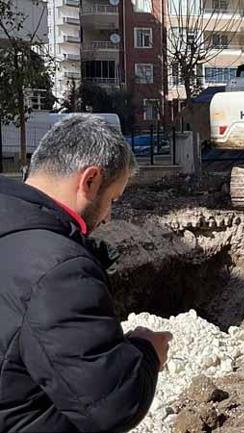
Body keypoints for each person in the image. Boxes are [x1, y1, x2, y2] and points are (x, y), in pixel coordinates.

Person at [0, 115, 171, 432]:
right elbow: (112, 405)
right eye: (112, 200)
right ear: (90, 181)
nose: (108, 217)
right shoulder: (58, 270)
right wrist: (148, 352)